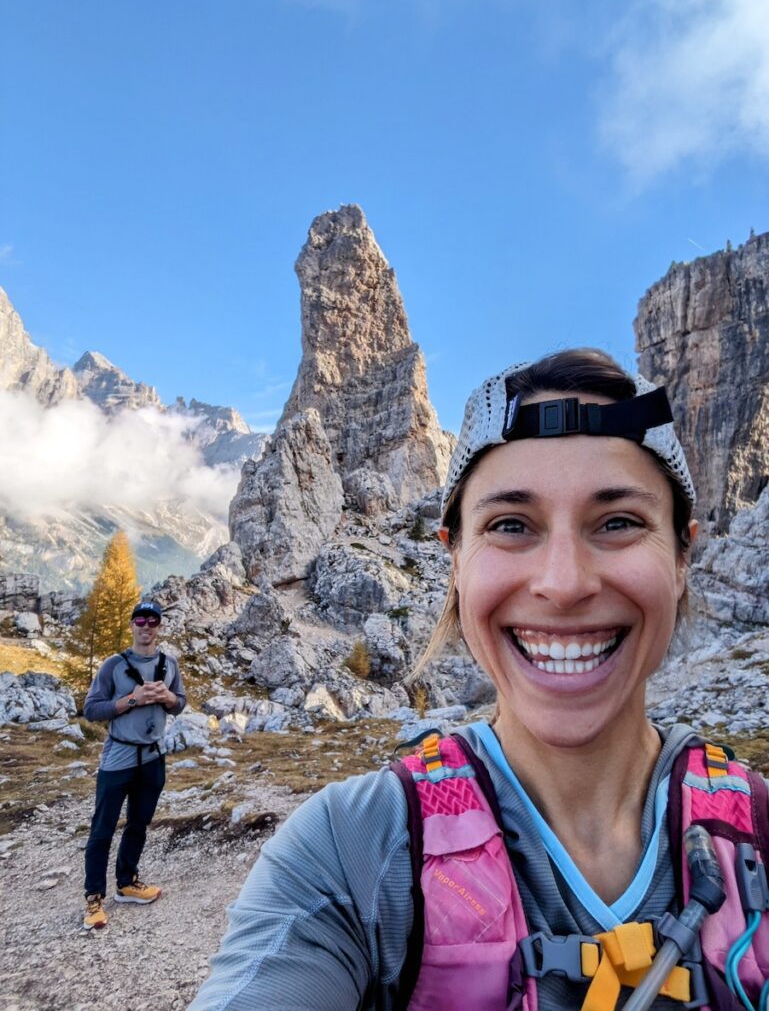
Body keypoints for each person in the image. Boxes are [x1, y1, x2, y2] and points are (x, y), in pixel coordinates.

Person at [189, 349, 769, 1011]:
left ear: (682, 558)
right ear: (455, 561)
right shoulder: (349, 852)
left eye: (617, 522)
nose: (563, 583)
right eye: (510, 526)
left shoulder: (763, 828)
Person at [82, 599, 186, 930]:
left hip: (153, 757)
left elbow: (179, 703)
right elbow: (92, 710)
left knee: (139, 824)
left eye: (152, 620)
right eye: (140, 619)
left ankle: (127, 883)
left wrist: (169, 699)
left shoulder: (169, 665)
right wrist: (133, 700)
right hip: (119, 758)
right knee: (102, 829)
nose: (146, 625)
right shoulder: (113, 665)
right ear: (131, 625)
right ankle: (94, 898)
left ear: (159, 626)